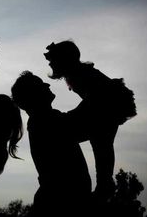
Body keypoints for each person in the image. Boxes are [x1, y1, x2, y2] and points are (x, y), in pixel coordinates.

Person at [44, 40, 137, 201]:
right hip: (107, 109)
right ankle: (104, 185)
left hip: (107, 107)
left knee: (97, 143)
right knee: (101, 146)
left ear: (64, 60)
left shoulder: (79, 73)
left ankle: (102, 185)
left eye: (52, 60)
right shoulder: (76, 73)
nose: (50, 63)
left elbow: (95, 97)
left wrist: (71, 115)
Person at [11, 71, 91, 217]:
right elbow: (82, 123)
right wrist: (95, 91)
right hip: (60, 205)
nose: (47, 84)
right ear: (34, 95)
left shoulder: (43, 121)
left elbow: (82, 125)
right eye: (41, 84)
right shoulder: (43, 121)